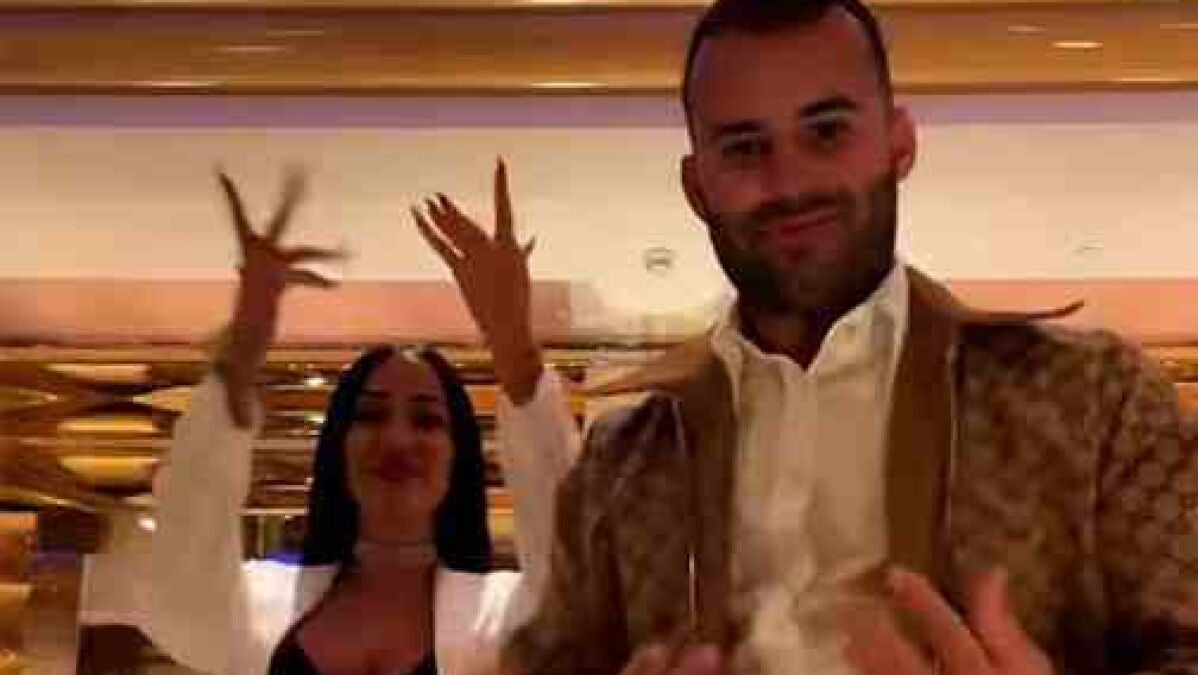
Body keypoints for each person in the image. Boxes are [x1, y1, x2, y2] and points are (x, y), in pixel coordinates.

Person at [496, 1, 1198, 674]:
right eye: (744, 148)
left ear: (899, 143)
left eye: (827, 132)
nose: (789, 183)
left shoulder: (1095, 405)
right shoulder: (621, 464)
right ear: (696, 185)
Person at [146, 161, 580, 675]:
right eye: (371, 416)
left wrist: (515, 347)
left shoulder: (500, 617)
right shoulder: (265, 606)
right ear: (338, 444)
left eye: (426, 421)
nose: (396, 438)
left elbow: (577, 580)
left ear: (459, 456)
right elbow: (182, 591)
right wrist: (243, 349)